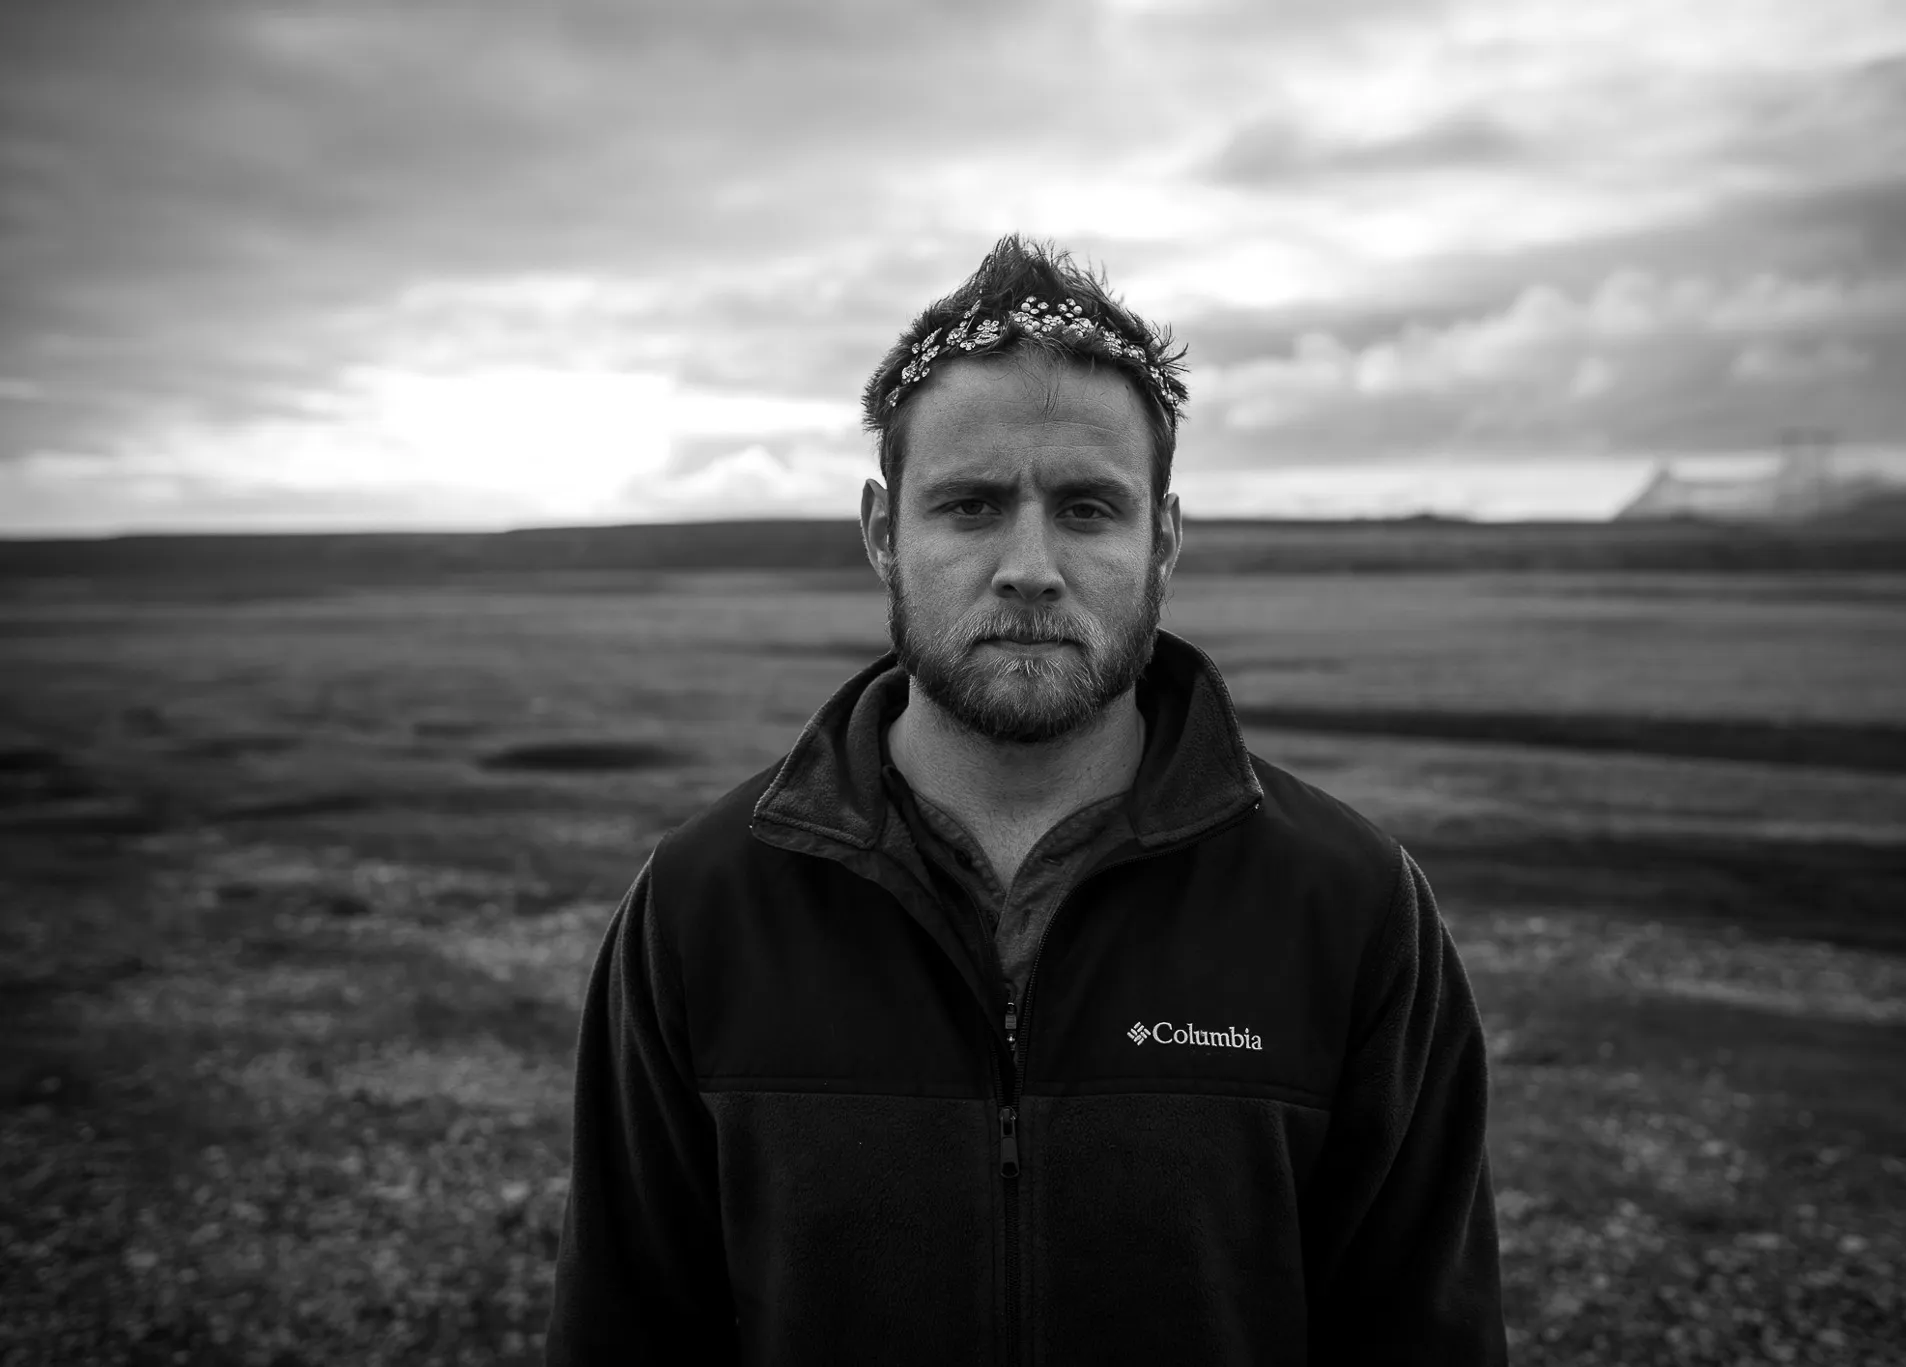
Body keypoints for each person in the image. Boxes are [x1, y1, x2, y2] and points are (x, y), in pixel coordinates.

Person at [546, 236, 1508, 1365]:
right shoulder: (704, 903)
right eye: (968, 505)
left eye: (1090, 509)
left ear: (1165, 541)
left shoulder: (1346, 908)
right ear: (878, 532)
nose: (1029, 565)